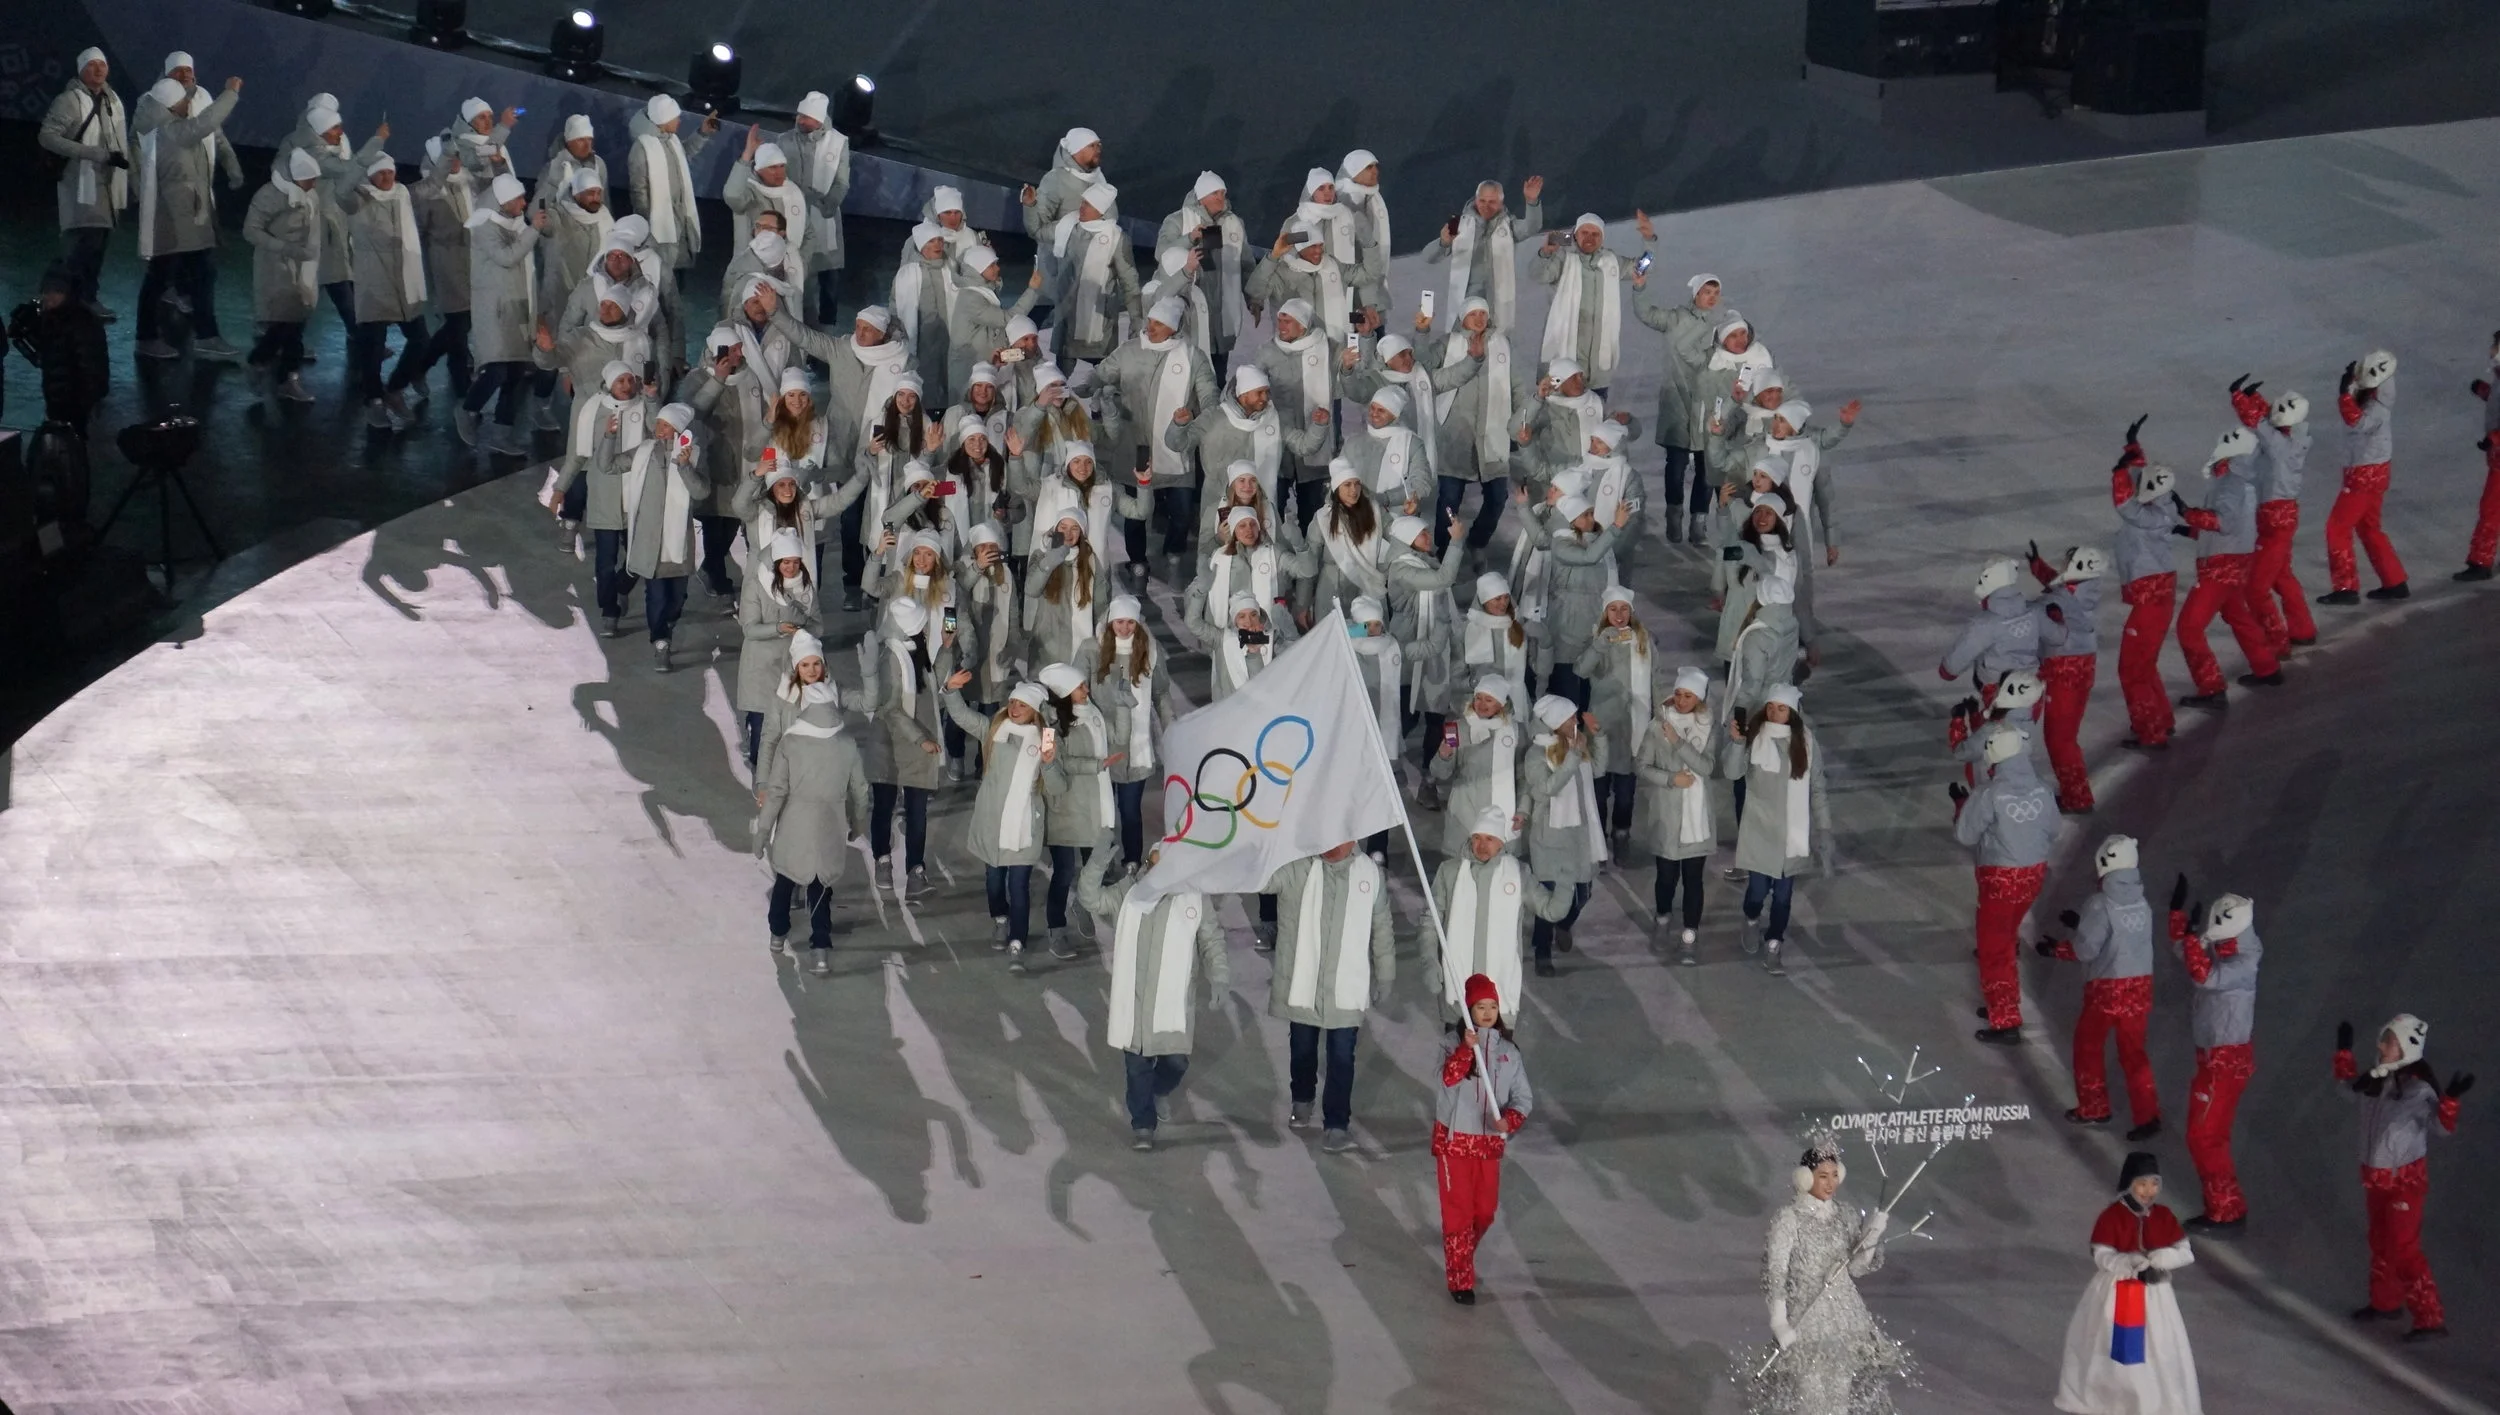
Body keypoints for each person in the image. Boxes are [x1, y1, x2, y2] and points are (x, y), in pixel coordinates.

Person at [1076, 844, 1227, 1152]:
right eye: (1152, 864)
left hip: (1173, 1003)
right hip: (1134, 1001)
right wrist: (1096, 863)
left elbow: (1211, 938)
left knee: (1176, 1061)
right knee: (1136, 1066)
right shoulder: (1129, 891)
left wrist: (1220, 975)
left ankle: (1159, 1090)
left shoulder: (1194, 897)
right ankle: (1143, 1124)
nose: (1156, 871)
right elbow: (1090, 899)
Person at [2332, 1014, 2468, 1340]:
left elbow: (2441, 1128)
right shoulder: (2377, 1082)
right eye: (2383, 1039)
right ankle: (2385, 1303)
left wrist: (2449, 1101)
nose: (2381, 1046)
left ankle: (2430, 1318)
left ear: (2406, 1047)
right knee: (2381, 1242)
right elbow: (2348, 1091)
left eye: (2389, 1041)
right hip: (2376, 1180)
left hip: (2404, 1183)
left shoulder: (2419, 1090)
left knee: (2404, 1249)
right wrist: (2344, 1055)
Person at [1262, 841, 1394, 1152]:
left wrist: (1386, 972)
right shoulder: (1298, 867)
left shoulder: (1369, 875)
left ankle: (1336, 1123)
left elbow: (1382, 926)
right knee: (1303, 1047)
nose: (1331, 845)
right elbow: (1263, 881)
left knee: (1341, 1057)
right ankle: (1303, 1097)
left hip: (1346, 985)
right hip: (1304, 983)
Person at [1758, 1134, 1904, 1415]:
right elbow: (1775, 1272)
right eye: (1822, 1176)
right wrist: (1779, 1321)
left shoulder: (1846, 1215)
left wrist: (1872, 1233)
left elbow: (1858, 1268)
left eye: (1835, 1175)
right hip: (1807, 1314)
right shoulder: (1789, 1218)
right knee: (1811, 1397)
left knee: (1839, 1397)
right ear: (1805, 1177)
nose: (1830, 1183)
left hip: (1844, 1316)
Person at [2053, 1152, 2201, 1415]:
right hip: (2117, 1293)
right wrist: (2127, 1263)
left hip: (2156, 1296)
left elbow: (2185, 1251)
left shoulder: (2164, 1216)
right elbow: (2102, 1253)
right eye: (2142, 1183)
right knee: (2111, 1344)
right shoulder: (2112, 1216)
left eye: (2154, 1183)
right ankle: (2114, 1400)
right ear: (2129, 1184)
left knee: (2158, 1346)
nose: (2149, 1190)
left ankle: (2155, 1401)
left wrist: (2165, 1257)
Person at [753, 656, 869, 979]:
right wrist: (858, 823)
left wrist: (763, 833)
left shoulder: (791, 742)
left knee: (786, 878)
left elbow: (776, 791)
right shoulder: (847, 743)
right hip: (830, 825)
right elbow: (860, 790)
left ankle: (778, 934)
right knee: (820, 888)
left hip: (794, 824)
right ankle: (820, 950)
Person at [2036, 835, 2159, 1138]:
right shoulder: (2142, 902)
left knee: (2088, 1047)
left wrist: (2058, 950)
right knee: (2134, 1054)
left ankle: (2094, 1107)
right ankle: (2148, 1115)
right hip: (2140, 987)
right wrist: (2081, 923)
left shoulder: (2100, 903)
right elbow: (2122, 939)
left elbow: (2087, 950)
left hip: (2107, 991)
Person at [941, 680, 1063, 970]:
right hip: (992, 822)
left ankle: (1017, 941)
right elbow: (961, 716)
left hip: (1024, 827)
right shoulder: (995, 730)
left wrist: (1049, 763)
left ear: (1035, 710)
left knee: (1018, 885)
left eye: (1022, 704)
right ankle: (1000, 918)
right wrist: (950, 690)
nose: (1015, 708)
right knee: (995, 882)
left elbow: (1057, 787)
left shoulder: (1046, 737)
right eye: (1012, 702)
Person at [1098, 298, 1221, 575]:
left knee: (1181, 512)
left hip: (1175, 446)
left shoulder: (1192, 356)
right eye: (1150, 321)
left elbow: (1209, 396)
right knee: (1135, 512)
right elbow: (1101, 374)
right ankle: (1137, 559)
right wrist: (1078, 390)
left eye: (1158, 323)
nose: (1150, 327)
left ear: (1174, 327)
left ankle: (1174, 548)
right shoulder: (1129, 350)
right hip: (1135, 445)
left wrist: (1196, 417)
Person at [131, 55, 242, 360]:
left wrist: (231, 166)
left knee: (200, 271)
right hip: (172, 214)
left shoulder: (174, 116)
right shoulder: (168, 128)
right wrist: (230, 92)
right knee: (160, 276)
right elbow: (204, 124)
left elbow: (211, 131)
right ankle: (148, 336)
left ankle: (205, 333)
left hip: (189, 210)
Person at [1435, 973, 1533, 1305]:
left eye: (1493, 1006)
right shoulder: (1451, 1044)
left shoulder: (1508, 1052)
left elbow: (1523, 1098)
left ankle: (1459, 1251)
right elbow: (1447, 1079)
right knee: (1459, 1213)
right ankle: (1460, 1278)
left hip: (1489, 1145)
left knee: (1485, 1212)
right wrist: (1465, 1049)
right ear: (1469, 1010)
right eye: (1480, 1006)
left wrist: (1510, 1120)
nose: (1488, 1012)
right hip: (1455, 1142)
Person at [2166, 883, 2260, 1230]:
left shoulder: (2245, 960)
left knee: (2203, 1136)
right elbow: (2190, 952)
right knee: (2211, 1136)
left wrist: (2192, 938)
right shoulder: (2225, 945)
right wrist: (2178, 920)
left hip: (2225, 1061)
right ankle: (2226, 1208)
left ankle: (2226, 1211)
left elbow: (2204, 975)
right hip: (2214, 1057)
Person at [1953, 722, 2054, 1042]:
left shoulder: (1991, 793)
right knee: (2006, 937)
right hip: (2033, 874)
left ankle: (2006, 1018)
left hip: (2000, 877)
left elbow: (1965, 834)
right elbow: (2054, 829)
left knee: (1994, 948)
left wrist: (1962, 808)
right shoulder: (2041, 788)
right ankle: (2003, 1003)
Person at [1723, 684, 1828, 976]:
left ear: (1793, 712)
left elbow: (1817, 787)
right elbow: (1732, 773)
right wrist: (1735, 743)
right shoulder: (1754, 738)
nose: (1773, 712)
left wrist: (1825, 827)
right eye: (1771, 706)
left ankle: (1774, 942)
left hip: (1790, 835)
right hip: (1760, 829)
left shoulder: (1806, 742)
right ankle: (1751, 918)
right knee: (1758, 890)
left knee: (1783, 895)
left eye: (1781, 708)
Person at [2175, 426, 2282, 707]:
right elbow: (2234, 527)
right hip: (2234, 561)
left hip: (2220, 567)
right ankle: (2267, 666)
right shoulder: (2241, 482)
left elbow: (2223, 523)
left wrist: (2188, 514)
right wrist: (2187, 529)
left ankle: (2212, 688)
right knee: (2238, 616)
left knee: (2188, 627)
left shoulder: (2231, 483)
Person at [548, 361, 652, 637]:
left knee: (638, 556)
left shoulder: (645, 406)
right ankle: (609, 611)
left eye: (630, 380)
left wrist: (652, 400)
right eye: (621, 382)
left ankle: (621, 588)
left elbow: (658, 437)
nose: (627, 386)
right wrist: (560, 489)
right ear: (609, 383)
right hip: (604, 496)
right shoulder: (592, 410)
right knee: (605, 560)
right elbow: (578, 455)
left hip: (638, 495)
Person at [336, 153, 432, 431]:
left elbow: (432, 185)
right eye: (380, 173)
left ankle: (395, 389)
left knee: (420, 340)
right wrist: (371, 148)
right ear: (369, 176)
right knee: (372, 350)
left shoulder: (403, 194)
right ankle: (374, 401)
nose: (387, 178)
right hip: (375, 285)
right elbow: (342, 189)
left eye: (390, 172)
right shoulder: (359, 201)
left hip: (404, 283)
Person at [864, 597, 951, 899]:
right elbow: (891, 709)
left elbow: (931, 691)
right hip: (891, 743)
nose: (927, 628)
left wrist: (948, 650)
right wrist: (922, 739)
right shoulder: (891, 658)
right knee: (884, 805)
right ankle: (882, 859)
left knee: (917, 811)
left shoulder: (917, 651)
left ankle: (916, 869)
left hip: (917, 746)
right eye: (922, 624)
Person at [459, 174, 549, 455]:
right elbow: (507, 258)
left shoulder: (514, 223)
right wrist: (533, 230)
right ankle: (467, 410)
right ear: (503, 201)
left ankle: (502, 431)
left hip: (518, 306)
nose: (524, 203)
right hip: (495, 309)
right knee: (497, 369)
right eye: (519, 199)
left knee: (515, 372)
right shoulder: (485, 227)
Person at [1634, 265, 1725, 540]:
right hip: (1677, 402)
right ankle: (1674, 515)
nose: (1711, 297)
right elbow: (1646, 314)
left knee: (1706, 466)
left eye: (1715, 293)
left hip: (1707, 405)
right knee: (1675, 465)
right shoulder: (1676, 318)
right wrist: (1639, 289)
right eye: (1706, 292)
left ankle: (1699, 522)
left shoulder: (1721, 326)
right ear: (1696, 293)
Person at [1634, 667, 1718, 964]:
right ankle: (1663, 919)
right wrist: (1671, 779)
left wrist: (1679, 743)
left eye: (1689, 696)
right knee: (1667, 877)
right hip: (1668, 817)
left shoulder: (1707, 725)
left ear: (1699, 699)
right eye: (1679, 694)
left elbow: (1707, 768)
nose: (1682, 701)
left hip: (1697, 819)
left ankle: (1689, 936)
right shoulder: (1658, 726)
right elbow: (1642, 767)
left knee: (1693, 880)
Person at [40, 48, 130, 317]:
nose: (99, 70)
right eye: (92, 65)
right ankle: (63, 300)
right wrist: (92, 153)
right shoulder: (69, 100)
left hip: (105, 186)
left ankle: (84, 299)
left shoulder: (112, 101)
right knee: (79, 247)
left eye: (102, 65)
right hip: (78, 184)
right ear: (81, 70)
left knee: (96, 247)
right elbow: (47, 137)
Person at [616, 402, 706, 670]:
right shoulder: (645, 451)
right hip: (651, 540)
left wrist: (685, 466)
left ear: (678, 430)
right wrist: (610, 438)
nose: (660, 429)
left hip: (678, 542)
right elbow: (610, 465)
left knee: (677, 597)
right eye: (658, 424)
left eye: (666, 425)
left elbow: (701, 492)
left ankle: (665, 625)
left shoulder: (695, 454)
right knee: (656, 596)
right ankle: (661, 642)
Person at [1520, 696, 1605, 976]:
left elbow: (1600, 769)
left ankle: (1564, 924)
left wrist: (1598, 736)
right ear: (1556, 724)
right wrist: (1571, 759)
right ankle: (1542, 951)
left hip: (1581, 834)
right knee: (1549, 898)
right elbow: (1544, 789)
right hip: (1551, 837)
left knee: (1582, 893)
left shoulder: (1578, 744)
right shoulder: (1536, 754)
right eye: (1570, 718)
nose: (1575, 722)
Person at [2318, 349, 2408, 604]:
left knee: (2337, 527)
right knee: (2369, 527)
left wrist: (2344, 395)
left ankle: (2345, 588)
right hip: (2374, 470)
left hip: (2363, 473)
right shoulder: (2377, 395)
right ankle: (2394, 580)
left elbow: (2356, 422)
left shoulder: (2378, 407)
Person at [240, 149, 329, 405]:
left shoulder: (309, 196)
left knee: (294, 325)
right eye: (310, 179)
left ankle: (281, 374)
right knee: (285, 324)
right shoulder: (270, 195)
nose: (314, 184)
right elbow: (251, 231)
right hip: (275, 267)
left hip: (302, 267)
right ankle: (272, 370)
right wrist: (285, 248)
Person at [2112, 449, 2186, 749]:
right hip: (2160, 594)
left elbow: (2124, 503)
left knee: (2131, 670)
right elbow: (2140, 484)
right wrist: (2133, 453)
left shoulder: (2145, 515)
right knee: (2144, 663)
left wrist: (2119, 472)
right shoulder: (2163, 504)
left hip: (2149, 598)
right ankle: (2162, 720)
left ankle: (2150, 732)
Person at [2028, 544, 2107, 813]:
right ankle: (2077, 793)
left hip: (2065, 666)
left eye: (2069, 561)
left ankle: (2077, 797)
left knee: (2059, 738)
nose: (2064, 564)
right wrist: (2039, 567)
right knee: (2067, 735)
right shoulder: (2085, 589)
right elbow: (2061, 586)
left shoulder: (2065, 600)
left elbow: (2041, 606)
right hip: (2084, 663)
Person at [2238, 382, 2318, 647]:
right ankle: (2302, 629)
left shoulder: (2279, 446)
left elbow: (2258, 423)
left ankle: (2274, 641)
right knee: (2282, 576)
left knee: (2256, 588)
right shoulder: (2292, 438)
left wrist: (2239, 398)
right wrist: (2255, 397)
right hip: (2281, 516)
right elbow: (2271, 417)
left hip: (2274, 521)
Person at [1574, 586, 1653, 853]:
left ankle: (1621, 833)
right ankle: (1597, 841)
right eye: (1613, 609)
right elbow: (1581, 670)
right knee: (1598, 789)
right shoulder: (1596, 638)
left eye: (1624, 609)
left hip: (1632, 724)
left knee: (1625, 792)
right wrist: (1600, 645)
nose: (1619, 615)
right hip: (1601, 726)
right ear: (1605, 612)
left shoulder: (1643, 640)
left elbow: (1656, 679)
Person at [1094, 596, 1170, 873]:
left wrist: (1170, 727)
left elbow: (1161, 692)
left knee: (1129, 810)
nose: (1124, 629)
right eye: (1119, 622)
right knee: (1103, 812)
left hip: (1137, 746)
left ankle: (1132, 861)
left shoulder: (1150, 651)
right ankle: (1101, 862)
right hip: (1101, 743)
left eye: (1129, 623)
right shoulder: (1094, 649)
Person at [735, 532, 821, 773]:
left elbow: (818, 625)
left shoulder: (805, 587)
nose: (791, 568)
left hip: (793, 669)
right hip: (762, 667)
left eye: (795, 562)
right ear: (776, 563)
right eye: (786, 562)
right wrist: (778, 628)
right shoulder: (756, 585)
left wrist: (802, 626)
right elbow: (749, 628)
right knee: (761, 741)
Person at [1424, 177, 1543, 331]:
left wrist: (1532, 202)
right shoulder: (1461, 227)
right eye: (1482, 201)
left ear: (1501, 203)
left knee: (1496, 344)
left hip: (1497, 303)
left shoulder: (1509, 226)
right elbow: (1428, 257)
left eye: (1492, 202)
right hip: (1466, 301)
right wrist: (1443, 243)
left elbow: (1532, 227)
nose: (1486, 206)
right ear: (1475, 200)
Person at [408, 137, 475, 402]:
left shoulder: (467, 182)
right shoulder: (428, 192)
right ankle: (464, 393)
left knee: (462, 323)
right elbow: (420, 231)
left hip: (472, 261)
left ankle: (420, 367)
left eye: (458, 157)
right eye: (451, 158)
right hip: (445, 264)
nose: (457, 162)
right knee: (458, 326)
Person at [1157, 171, 1248, 365]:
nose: (1221, 197)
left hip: (1223, 315)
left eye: (1223, 192)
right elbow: (1161, 253)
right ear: (1201, 196)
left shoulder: (1234, 223)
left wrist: (1253, 298)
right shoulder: (1177, 220)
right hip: (1190, 312)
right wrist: (1190, 238)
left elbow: (1246, 263)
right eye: (1215, 193)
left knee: (1220, 373)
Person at [1532, 213, 1629, 393]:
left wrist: (1650, 243)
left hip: (1597, 365)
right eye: (1585, 233)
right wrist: (1545, 252)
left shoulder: (1611, 262)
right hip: (1564, 356)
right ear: (1575, 235)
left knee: (1593, 414)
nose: (1590, 239)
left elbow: (1641, 268)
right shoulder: (1564, 258)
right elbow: (1539, 275)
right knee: (1558, 416)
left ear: (1602, 238)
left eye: (1595, 234)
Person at [1044, 181, 1138, 365]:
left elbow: (1130, 282)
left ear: (1100, 209)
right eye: (1082, 202)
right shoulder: (1068, 228)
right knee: (1060, 379)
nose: (1081, 207)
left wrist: (1137, 319)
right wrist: (1030, 206)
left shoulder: (1116, 238)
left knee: (1101, 379)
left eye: (1087, 204)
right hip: (1067, 319)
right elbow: (1037, 231)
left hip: (1098, 322)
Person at [782, 90, 853, 327]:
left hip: (825, 217)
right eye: (799, 115)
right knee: (798, 275)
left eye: (806, 117)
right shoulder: (784, 141)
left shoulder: (838, 142)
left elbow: (842, 182)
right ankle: (799, 326)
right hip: (792, 217)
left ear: (819, 120)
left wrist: (829, 204)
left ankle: (827, 334)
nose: (800, 121)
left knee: (829, 280)